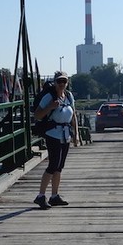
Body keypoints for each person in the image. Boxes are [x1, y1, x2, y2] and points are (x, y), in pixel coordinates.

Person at [33, 70, 79, 210]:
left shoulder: (69, 96)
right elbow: (37, 115)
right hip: (53, 133)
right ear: (55, 82)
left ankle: (54, 196)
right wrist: (50, 107)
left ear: (67, 82)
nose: (61, 84)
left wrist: (76, 134)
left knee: (59, 166)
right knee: (53, 165)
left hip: (65, 134)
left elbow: (73, 116)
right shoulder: (49, 96)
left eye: (64, 81)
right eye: (59, 81)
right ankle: (40, 196)